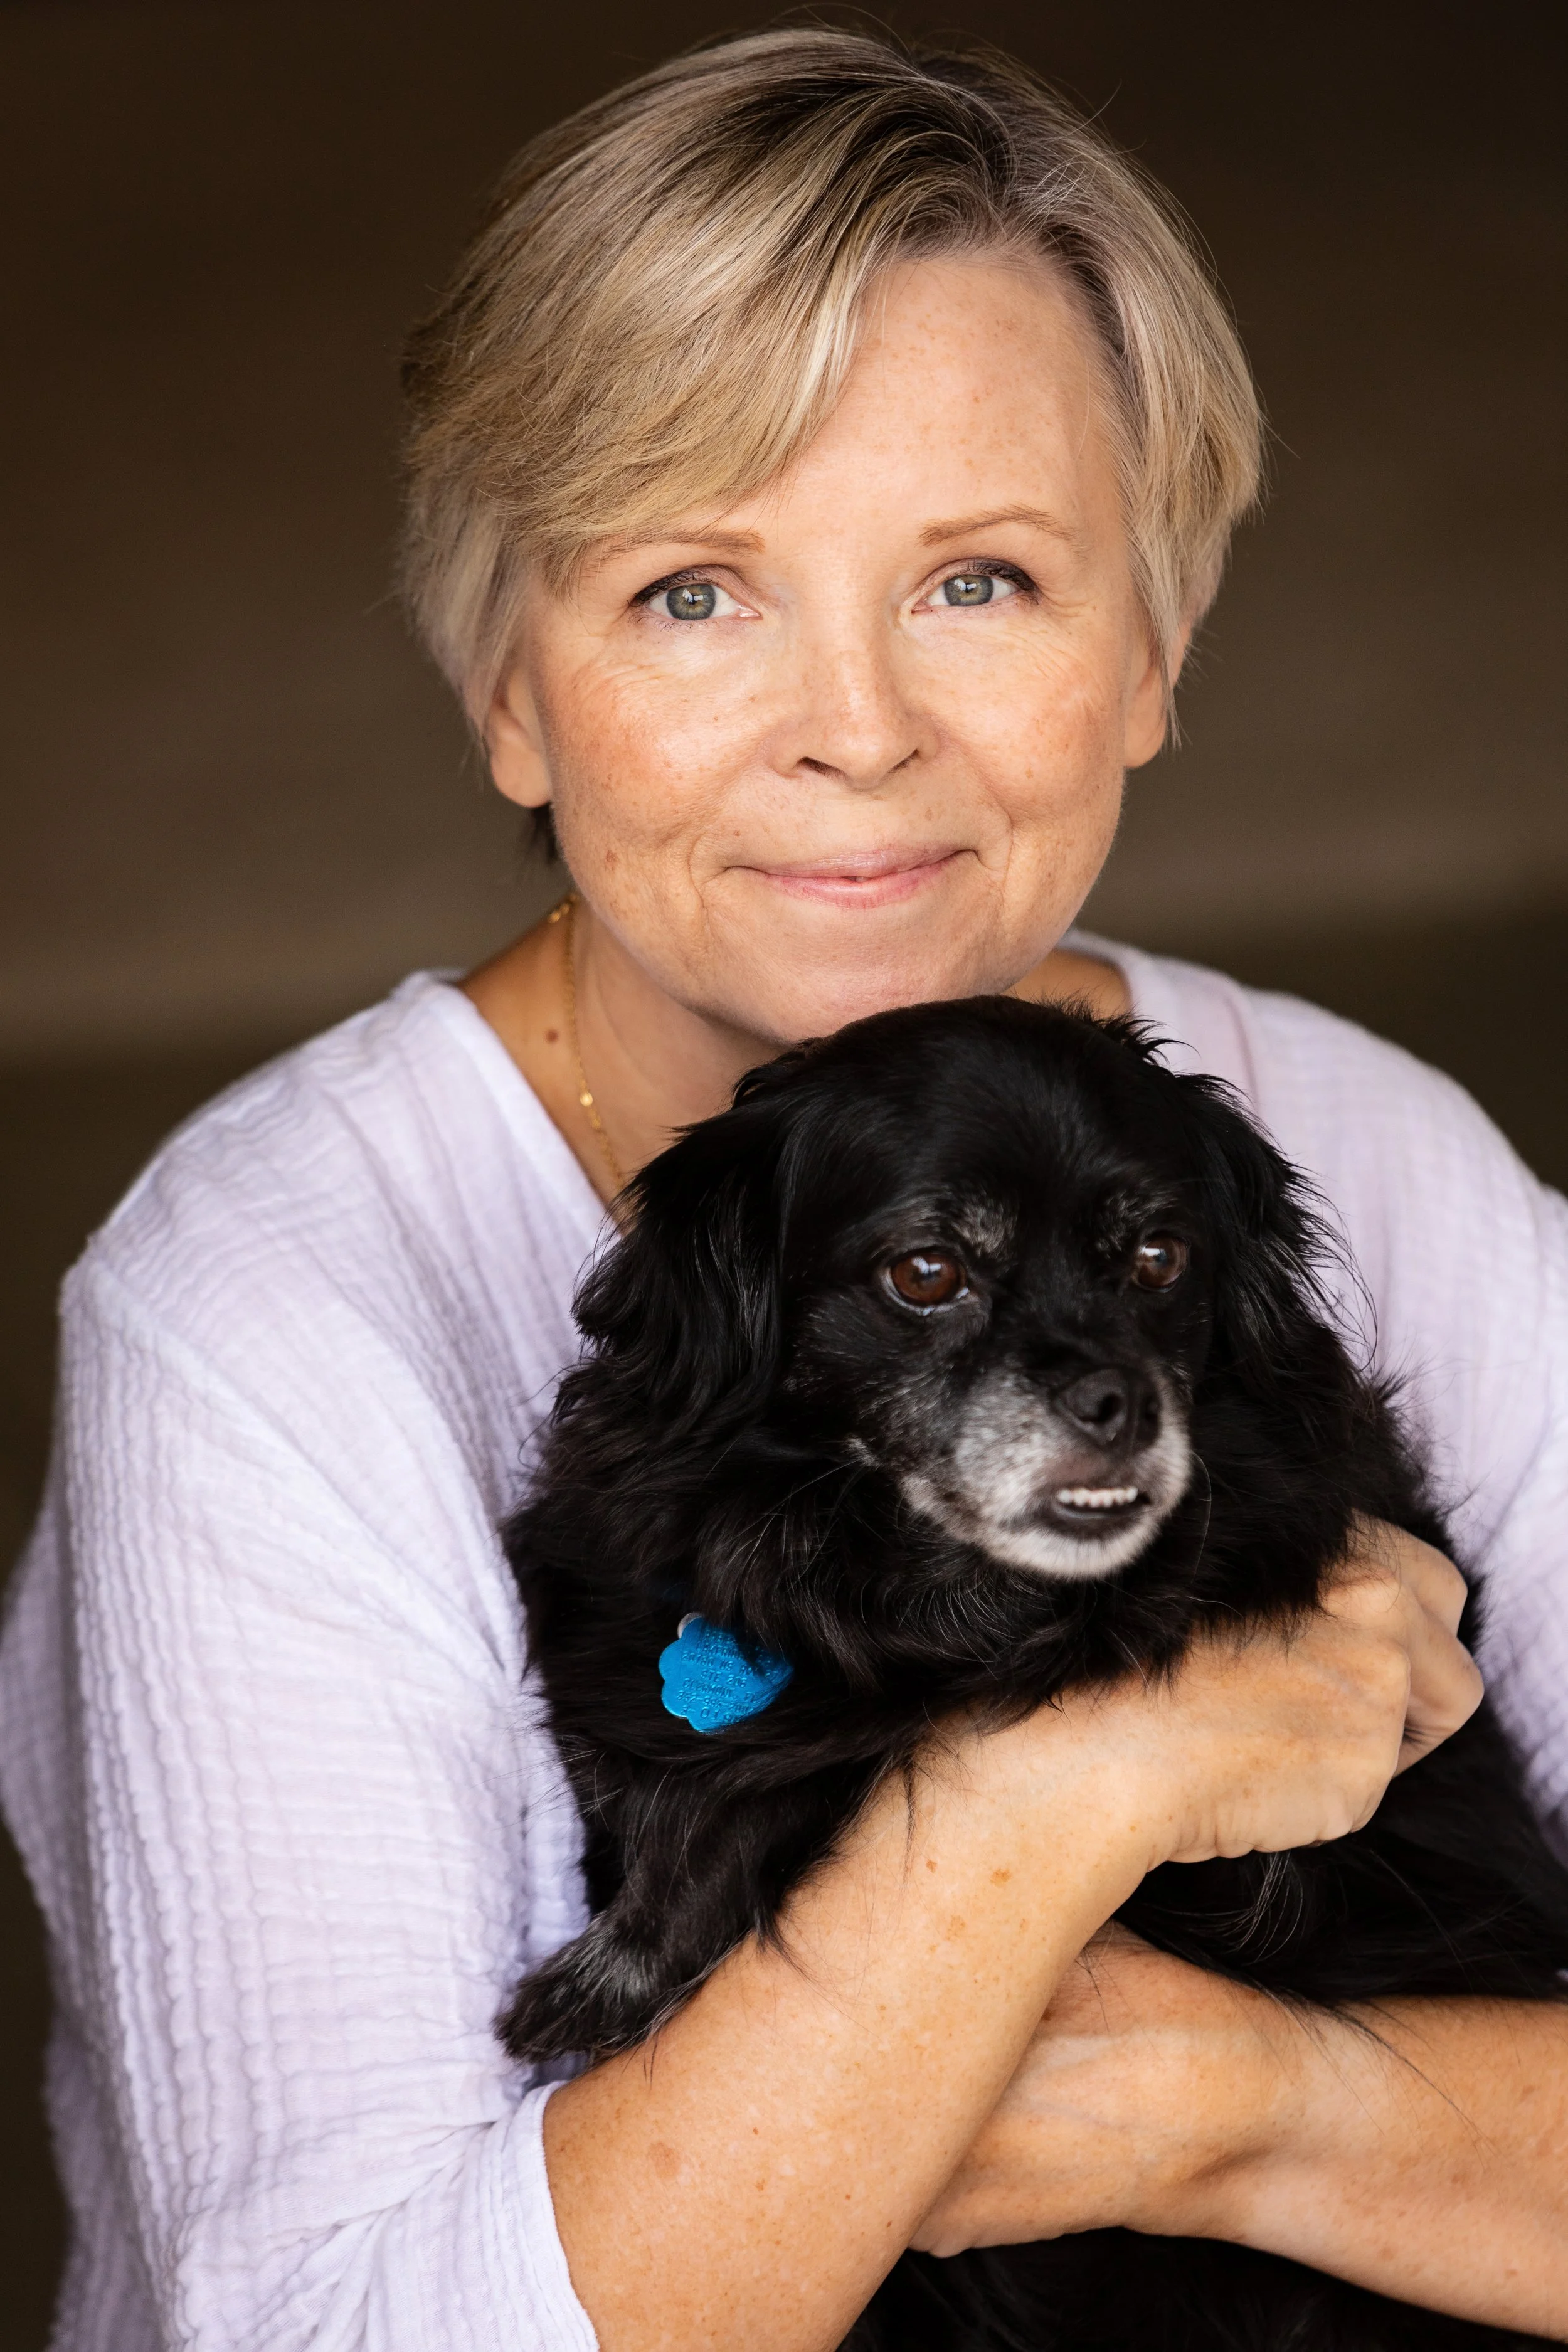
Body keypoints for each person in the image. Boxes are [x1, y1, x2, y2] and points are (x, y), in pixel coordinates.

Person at [2, 29, 1564, 2352]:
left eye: (982, 577)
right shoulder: (263, 1312)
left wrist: (1246, 2108)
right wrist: (1068, 1792)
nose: (855, 726)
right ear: (506, 693)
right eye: (692, 594)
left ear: (1150, 648)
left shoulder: (1376, 1155)